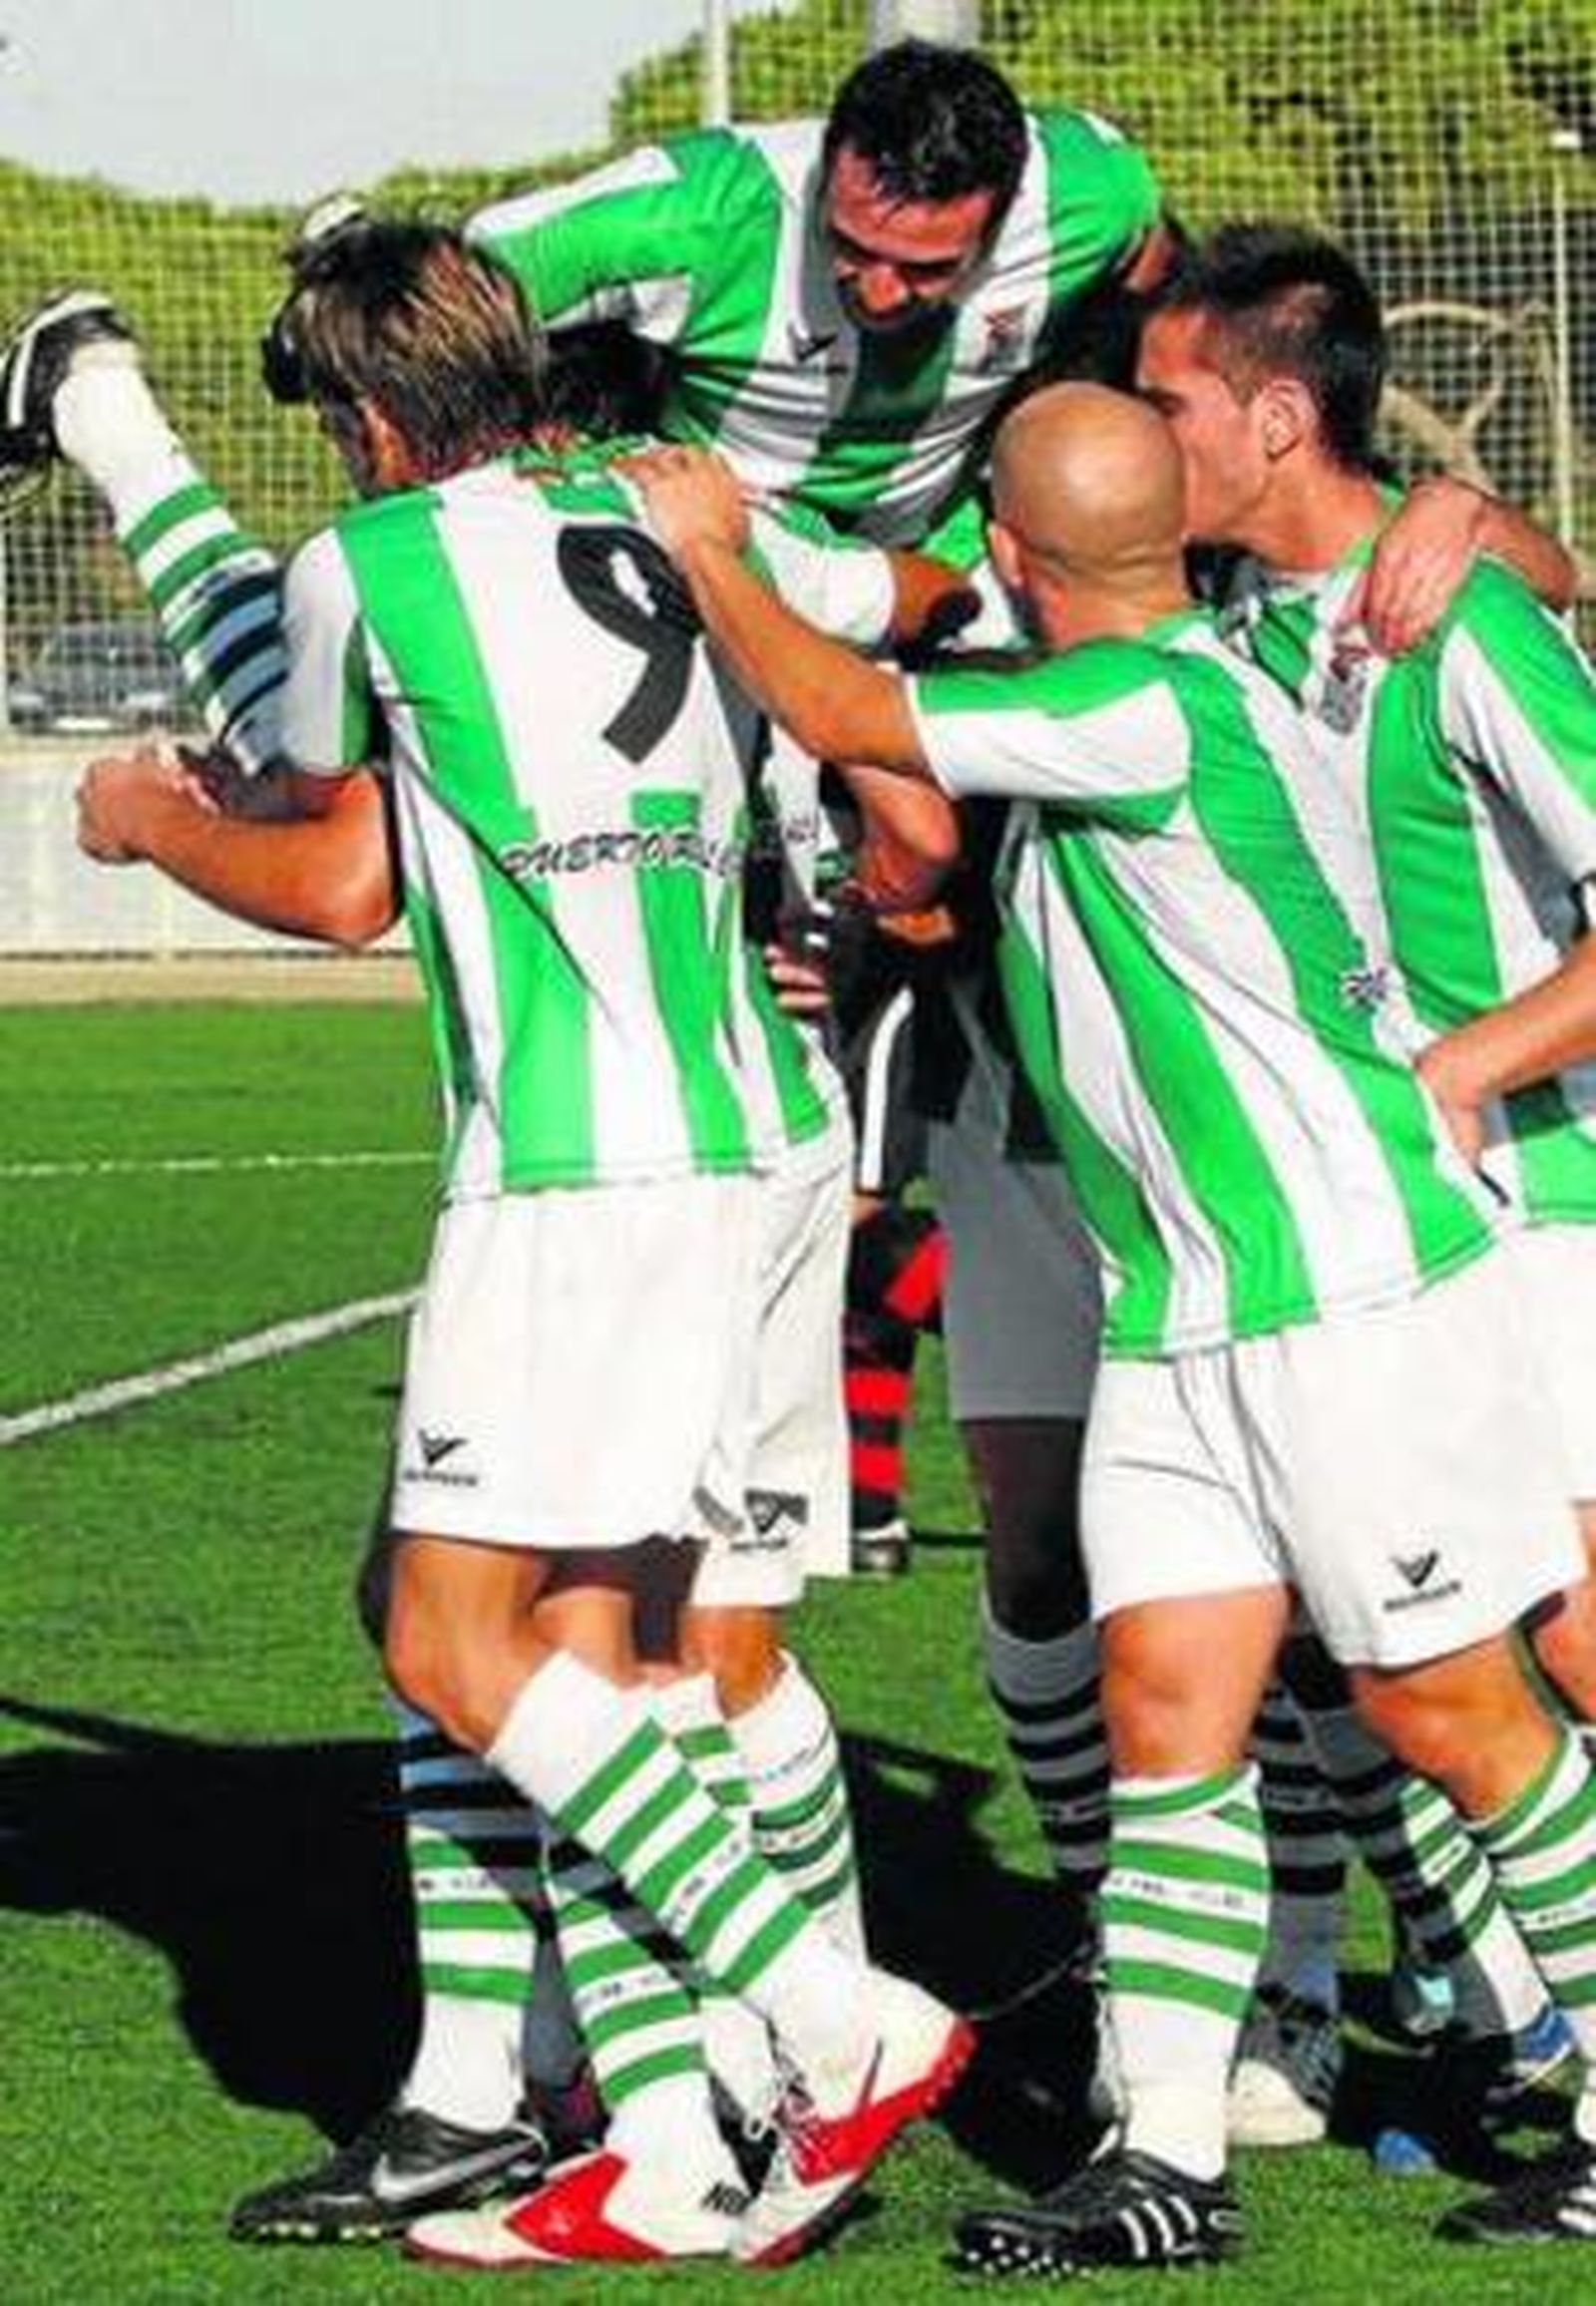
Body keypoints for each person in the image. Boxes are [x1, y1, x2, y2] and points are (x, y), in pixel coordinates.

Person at [72, 216, 973, 2270]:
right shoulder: (683, 506)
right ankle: (665, 2140)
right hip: (769, 1135)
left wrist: (146, 818)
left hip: (581, 1171)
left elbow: (336, 873)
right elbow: (919, 592)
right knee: (631, 1649)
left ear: (378, 419)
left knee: (444, 1640)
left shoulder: (365, 567)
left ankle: (834, 2022)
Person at [626, 384, 1596, 2273]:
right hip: (1184, 1305)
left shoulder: (1147, 700)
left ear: (1011, 543)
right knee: (1167, 1712)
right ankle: (1165, 2151)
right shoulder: (1164, 671)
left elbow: (842, 708)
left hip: (1346, 1292)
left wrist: (712, 553)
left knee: (1446, 1705)